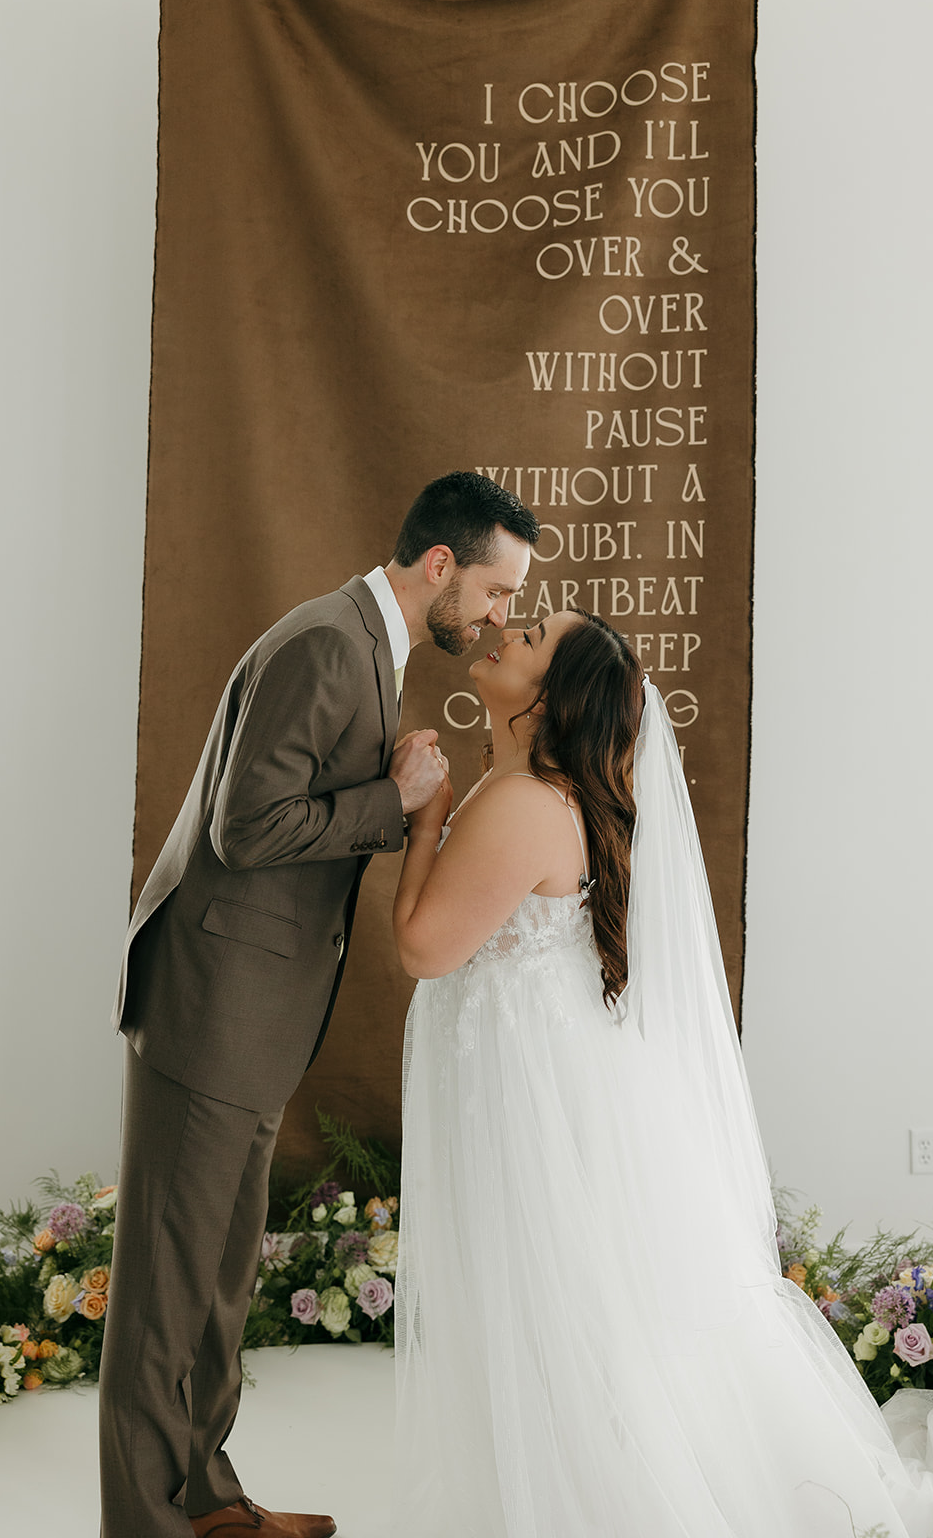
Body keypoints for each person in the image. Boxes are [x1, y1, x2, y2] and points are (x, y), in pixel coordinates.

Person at [390, 610, 933, 1538]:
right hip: (548, 1079)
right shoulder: (534, 790)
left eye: (534, 633)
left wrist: (423, 816)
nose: (506, 628)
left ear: (553, 695)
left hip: (530, 1099)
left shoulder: (519, 802)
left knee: (554, 1304)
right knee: (575, 1309)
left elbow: (425, 948)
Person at [98, 472, 539, 1538]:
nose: (497, 616)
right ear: (439, 565)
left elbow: (285, 801)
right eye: (492, 589)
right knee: (168, 1293)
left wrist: (384, 782)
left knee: (213, 1279)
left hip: (246, 1016)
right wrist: (396, 801)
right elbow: (246, 830)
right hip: (212, 1008)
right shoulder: (328, 642)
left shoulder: (358, 641)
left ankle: (207, 1501)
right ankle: (145, 1526)